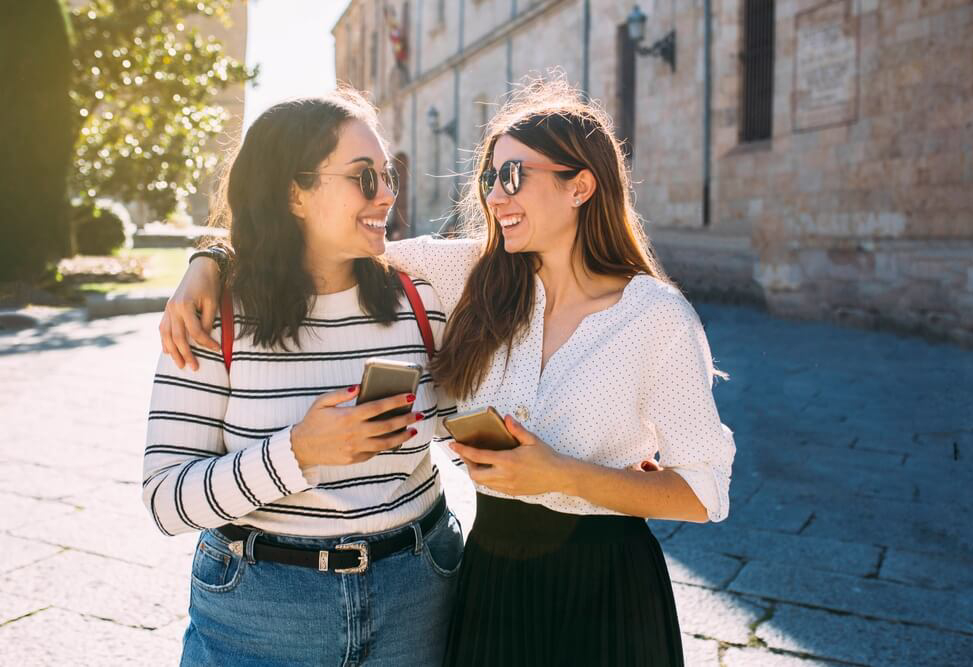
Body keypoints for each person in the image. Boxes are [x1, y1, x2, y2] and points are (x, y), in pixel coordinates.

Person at [162, 78, 735, 666]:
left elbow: (705, 491)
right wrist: (212, 258)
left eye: (513, 176)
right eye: (489, 178)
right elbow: (324, 241)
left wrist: (562, 473)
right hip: (487, 584)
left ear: (580, 185)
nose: (494, 197)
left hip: (603, 590)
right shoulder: (473, 276)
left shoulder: (656, 316)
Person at [143, 90, 462, 666]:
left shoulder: (423, 295)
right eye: (364, 178)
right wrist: (298, 452)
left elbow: (457, 427)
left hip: (418, 593)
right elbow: (166, 499)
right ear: (295, 192)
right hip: (260, 613)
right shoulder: (212, 317)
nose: (387, 193)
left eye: (389, 175)